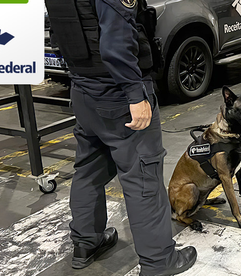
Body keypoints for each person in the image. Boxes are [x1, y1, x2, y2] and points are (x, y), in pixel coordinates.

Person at [45, 0, 197, 274]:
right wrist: (134, 94)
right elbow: (115, 43)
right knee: (143, 176)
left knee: (89, 168)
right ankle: (159, 261)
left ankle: (86, 243)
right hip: (117, 92)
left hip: (82, 86)